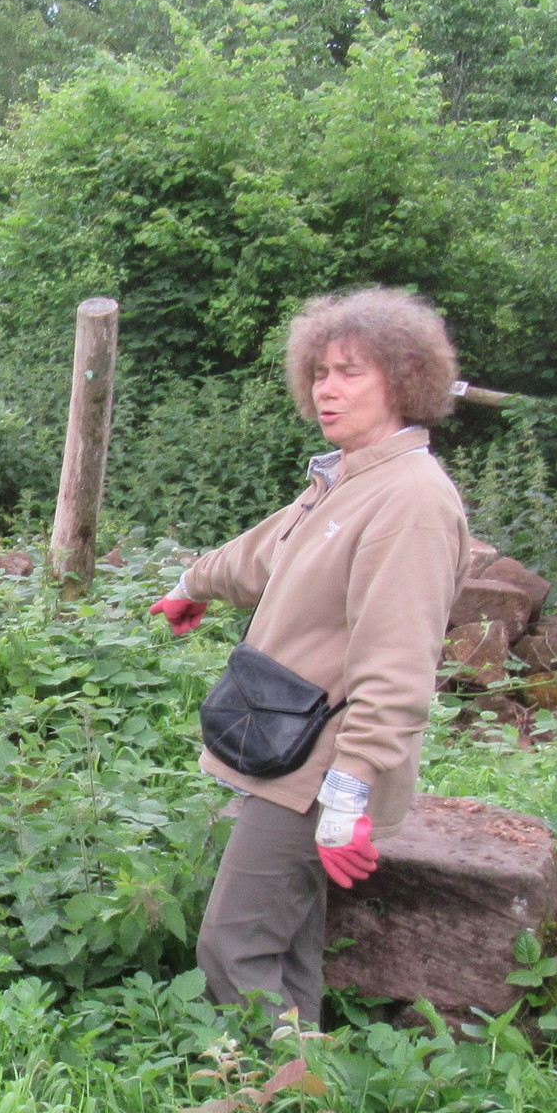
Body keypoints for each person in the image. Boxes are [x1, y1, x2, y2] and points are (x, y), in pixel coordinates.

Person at [148, 286, 472, 1029]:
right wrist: (192, 584)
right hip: (286, 745)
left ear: (406, 378)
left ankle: (259, 1088)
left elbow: (398, 664)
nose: (328, 389)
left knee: (233, 946)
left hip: (322, 765)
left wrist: (350, 794)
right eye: (320, 372)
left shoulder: (412, 502)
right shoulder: (350, 478)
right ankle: (304, 1082)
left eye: (351, 372)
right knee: (288, 950)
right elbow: (269, 550)